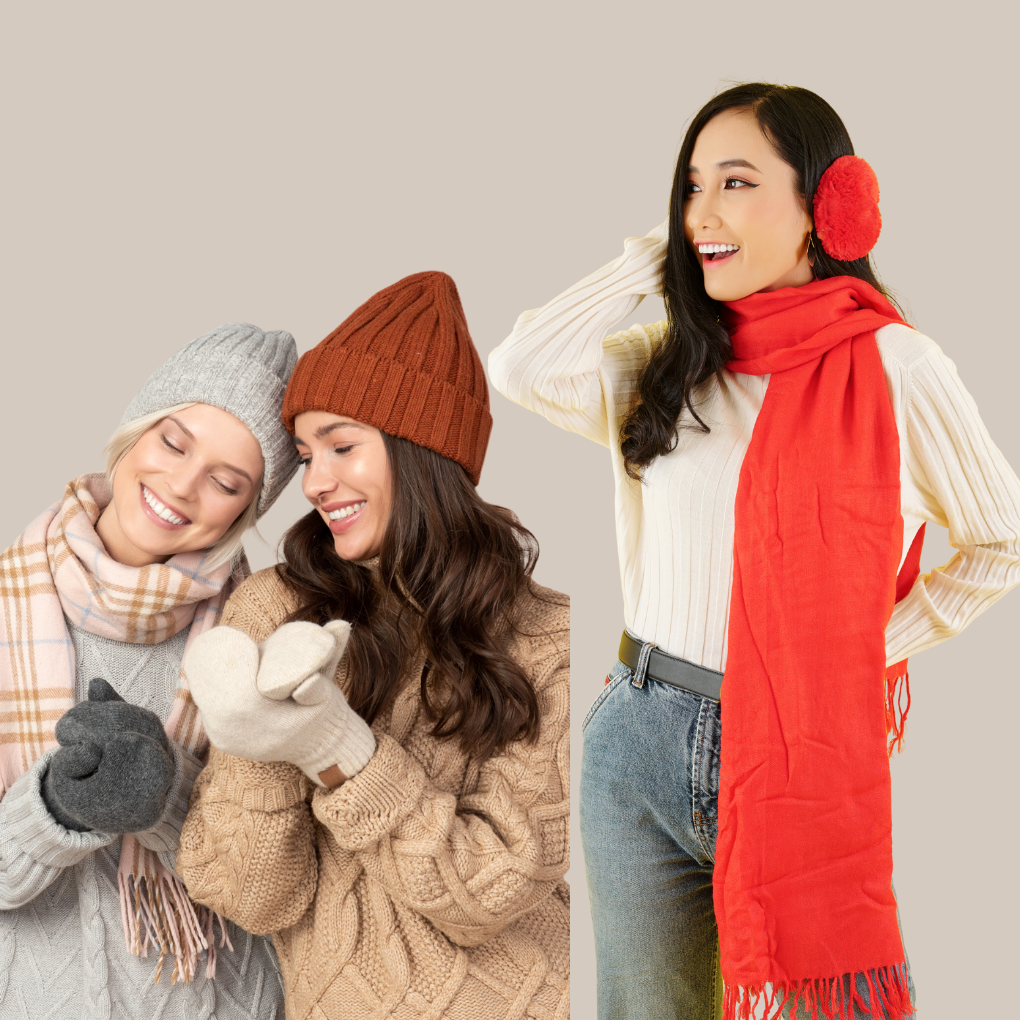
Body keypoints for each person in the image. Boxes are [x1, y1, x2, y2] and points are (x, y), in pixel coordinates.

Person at [488, 83, 1020, 1020]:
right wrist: (662, 262)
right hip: (640, 737)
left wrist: (860, 649)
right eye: (691, 188)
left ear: (829, 204)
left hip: (805, 747)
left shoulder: (899, 369)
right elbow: (522, 367)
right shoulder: (667, 363)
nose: (704, 213)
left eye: (736, 184)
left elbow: (999, 541)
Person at [177, 272, 570, 1020]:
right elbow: (248, 895)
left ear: (422, 450)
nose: (316, 482)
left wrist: (335, 747)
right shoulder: (273, 609)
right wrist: (262, 745)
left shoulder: (551, 637)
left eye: (341, 446)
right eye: (304, 452)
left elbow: (489, 891)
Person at [0, 324, 299, 1019]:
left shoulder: (261, 629)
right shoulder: (9, 603)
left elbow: (270, 875)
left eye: (226, 482)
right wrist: (56, 806)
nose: (182, 486)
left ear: (246, 509)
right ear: (134, 430)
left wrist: (161, 787)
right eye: (172, 441)